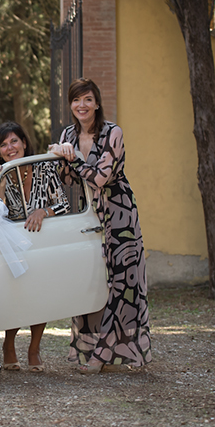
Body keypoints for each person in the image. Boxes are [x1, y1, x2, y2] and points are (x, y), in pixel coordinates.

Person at [50, 78, 151, 374]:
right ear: (71, 104)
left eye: (88, 100)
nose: (82, 105)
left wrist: (70, 156)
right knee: (93, 281)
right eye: (76, 100)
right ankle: (93, 348)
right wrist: (61, 158)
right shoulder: (68, 133)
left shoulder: (112, 132)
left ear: (96, 103)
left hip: (119, 213)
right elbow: (68, 180)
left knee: (122, 283)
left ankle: (101, 355)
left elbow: (99, 178)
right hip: (89, 216)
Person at [0, 121, 70, 373]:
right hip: (14, 244)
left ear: (24, 142)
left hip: (42, 240)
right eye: (3, 144)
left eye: (14, 141)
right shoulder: (1, 174)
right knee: (15, 294)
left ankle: (34, 348)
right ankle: (9, 346)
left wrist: (43, 211)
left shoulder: (45, 168)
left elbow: (63, 204)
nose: (10, 147)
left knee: (39, 295)